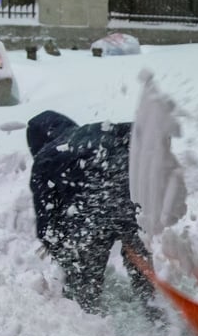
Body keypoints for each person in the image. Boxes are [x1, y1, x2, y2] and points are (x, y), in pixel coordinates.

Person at [26, 109, 159, 318]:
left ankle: (92, 333)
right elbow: (138, 132)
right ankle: (159, 322)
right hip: (129, 196)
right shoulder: (93, 132)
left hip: (94, 211)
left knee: (83, 284)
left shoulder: (45, 158)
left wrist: (65, 256)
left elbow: (46, 224)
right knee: (141, 264)